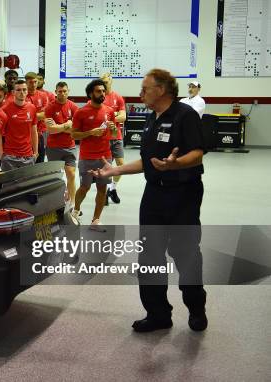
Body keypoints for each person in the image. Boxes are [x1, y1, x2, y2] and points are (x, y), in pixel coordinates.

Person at [89, 68, 207, 333]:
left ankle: (196, 308)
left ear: (162, 90)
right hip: (154, 194)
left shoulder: (185, 116)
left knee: (185, 254)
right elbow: (147, 161)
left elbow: (197, 154)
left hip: (182, 195)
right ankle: (157, 314)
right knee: (149, 256)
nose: (140, 93)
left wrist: (175, 165)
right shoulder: (150, 119)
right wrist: (114, 171)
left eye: (145, 88)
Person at [70, 79, 115, 229]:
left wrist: (114, 128)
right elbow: (74, 135)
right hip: (87, 157)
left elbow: (114, 132)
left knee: (102, 189)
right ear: (90, 94)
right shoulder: (81, 112)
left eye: (103, 91)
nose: (102, 94)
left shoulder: (109, 111)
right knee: (85, 187)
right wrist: (90, 132)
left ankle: (96, 220)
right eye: (98, 91)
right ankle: (76, 210)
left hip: (105, 157)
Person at [44, 82, 78, 206]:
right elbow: (50, 130)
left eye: (64, 91)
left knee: (71, 173)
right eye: (60, 91)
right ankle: (55, 202)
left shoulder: (74, 107)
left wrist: (59, 127)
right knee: (55, 177)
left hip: (69, 146)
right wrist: (66, 125)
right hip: (53, 147)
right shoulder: (49, 107)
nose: (62, 93)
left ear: (68, 91)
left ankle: (73, 204)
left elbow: (75, 129)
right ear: (55, 92)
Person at [100, 72, 127, 205]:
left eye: (106, 81)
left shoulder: (118, 97)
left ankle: (112, 188)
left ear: (111, 81)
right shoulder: (99, 97)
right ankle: (104, 193)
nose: (104, 83)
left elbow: (123, 117)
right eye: (102, 81)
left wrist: (110, 115)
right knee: (106, 167)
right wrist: (115, 114)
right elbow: (99, 117)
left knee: (121, 165)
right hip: (103, 138)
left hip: (116, 136)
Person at [0, 79, 38, 171]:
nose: (22, 92)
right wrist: (1, 154)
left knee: (27, 184)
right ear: (13, 92)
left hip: (28, 156)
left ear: (27, 91)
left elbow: (34, 131)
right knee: (9, 185)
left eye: (24, 90)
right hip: (10, 156)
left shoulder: (32, 108)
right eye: (18, 90)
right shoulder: (5, 109)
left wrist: (36, 152)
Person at [25, 72, 50, 164]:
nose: (34, 84)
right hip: (26, 134)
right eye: (31, 82)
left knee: (40, 161)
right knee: (28, 161)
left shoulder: (43, 95)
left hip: (41, 133)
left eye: (35, 82)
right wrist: (36, 115)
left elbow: (45, 114)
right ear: (26, 83)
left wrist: (29, 116)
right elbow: (24, 117)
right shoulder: (23, 95)